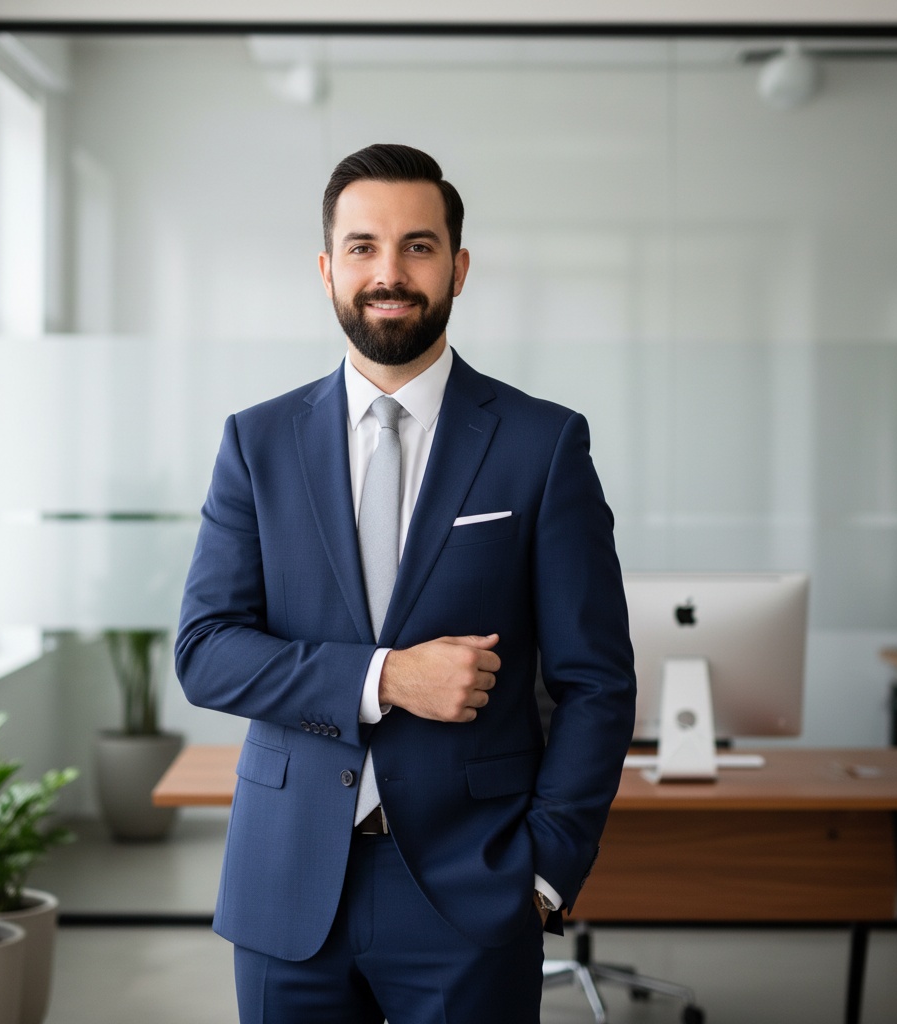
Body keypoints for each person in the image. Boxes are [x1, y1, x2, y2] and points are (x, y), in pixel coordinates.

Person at [175, 143, 636, 1024]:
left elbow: (597, 682)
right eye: (363, 247)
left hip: (473, 890)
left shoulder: (543, 446)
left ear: (458, 267)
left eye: (418, 246)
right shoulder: (256, 443)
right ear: (327, 269)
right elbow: (206, 654)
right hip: (285, 886)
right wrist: (387, 678)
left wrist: (545, 870)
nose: (389, 272)